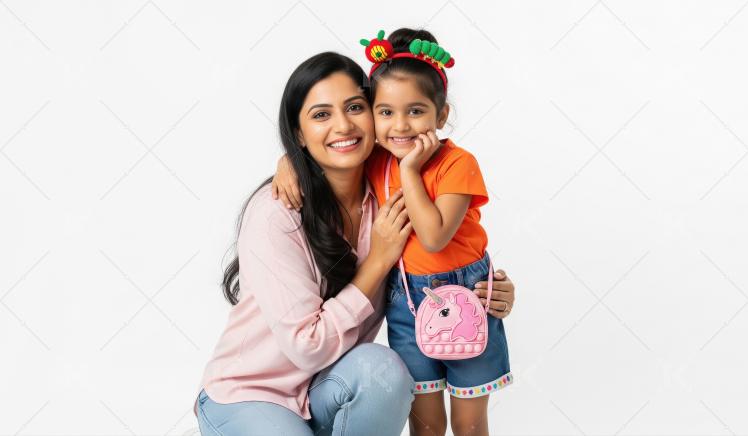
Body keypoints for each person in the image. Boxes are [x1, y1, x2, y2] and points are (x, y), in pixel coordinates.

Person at [195, 51, 517, 435]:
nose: (343, 126)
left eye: (354, 107)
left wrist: (488, 285)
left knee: (383, 369)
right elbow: (307, 346)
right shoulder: (277, 212)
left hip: (328, 388)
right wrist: (378, 259)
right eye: (320, 115)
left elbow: (443, 239)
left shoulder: (388, 185)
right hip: (251, 394)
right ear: (298, 133)